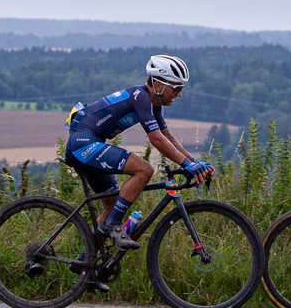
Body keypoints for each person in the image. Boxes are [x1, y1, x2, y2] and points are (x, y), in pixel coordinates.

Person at [64, 54, 213, 250]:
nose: (179, 94)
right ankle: (113, 227)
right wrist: (187, 165)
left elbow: (167, 137)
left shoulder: (153, 104)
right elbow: (156, 139)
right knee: (144, 170)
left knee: (113, 206)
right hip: (82, 144)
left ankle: (86, 264)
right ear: (158, 85)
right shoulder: (141, 97)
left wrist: (195, 162)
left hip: (89, 143)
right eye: (176, 88)